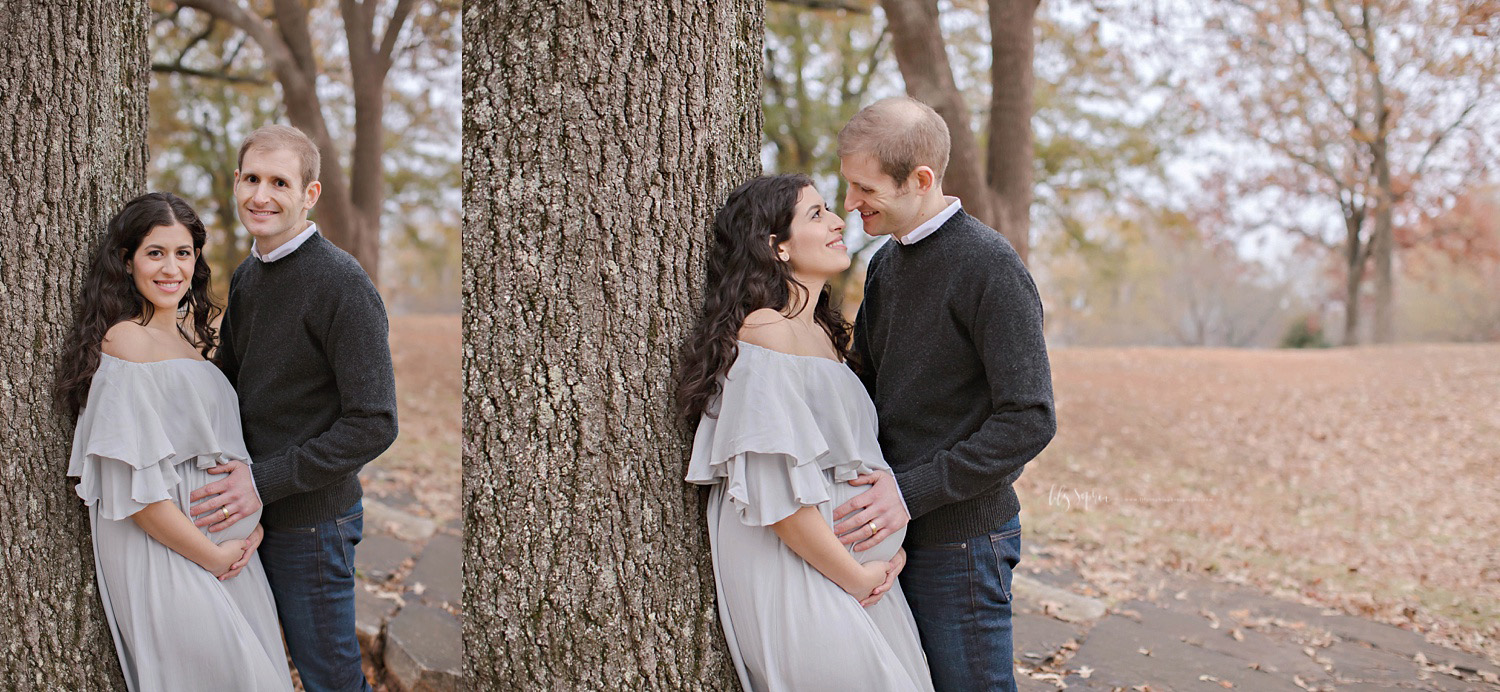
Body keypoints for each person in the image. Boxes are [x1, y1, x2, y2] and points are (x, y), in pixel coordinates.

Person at [830, 97, 1057, 692]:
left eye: (865, 188)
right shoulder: (886, 265)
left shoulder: (989, 266)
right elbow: (867, 385)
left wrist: (910, 492)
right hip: (892, 536)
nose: (850, 204)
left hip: (962, 542)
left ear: (921, 180)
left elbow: (1029, 418)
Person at [680, 173, 934, 692]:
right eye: (816, 214)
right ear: (776, 247)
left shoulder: (823, 335)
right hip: (798, 568)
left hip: (862, 579)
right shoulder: (765, 331)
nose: (840, 220)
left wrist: (888, 557)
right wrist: (857, 573)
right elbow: (775, 489)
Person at [185, 124, 398, 691]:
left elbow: (374, 422)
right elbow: (231, 387)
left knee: (329, 678)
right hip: (255, 514)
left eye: (280, 182)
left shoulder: (342, 284)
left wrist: (262, 482)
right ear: (235, 183)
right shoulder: (249, 277)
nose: (261, 195)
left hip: (313, 524)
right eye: (251, 178)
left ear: (309, 195)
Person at [58, 192, 294, 691]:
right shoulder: (126, 341)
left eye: (183, 253)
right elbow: (137, 491)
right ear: (127, 262)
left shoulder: (195, 339)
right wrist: (214, 556)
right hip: (168, 550)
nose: (171, 268)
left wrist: (249, 533)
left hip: (232, 556)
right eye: (155, 252)